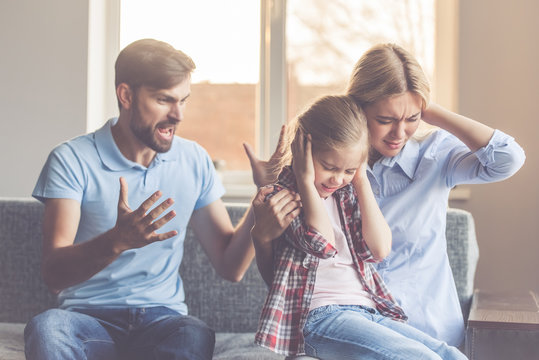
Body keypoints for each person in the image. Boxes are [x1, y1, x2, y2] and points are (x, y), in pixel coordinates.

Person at [24, 38, 300, 360]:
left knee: (193, 332)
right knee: (47, 328)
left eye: (183, 100)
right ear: (126, 95)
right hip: (87, 319)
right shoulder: (72, 159)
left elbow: (230, 265)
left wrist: (263, 194)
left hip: (162, 321)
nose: (178, 115)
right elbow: (54, 275)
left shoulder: (194, 159)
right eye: (164, 100)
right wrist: (117, 240)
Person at [246, 43, 525, 349]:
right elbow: (293, 274)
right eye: (386, 120)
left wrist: (425, 108)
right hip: (351, 328)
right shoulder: (329, 180)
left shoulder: (434, 155)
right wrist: (263, 232)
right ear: (357, 110)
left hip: (428, 328)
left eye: (411, 119)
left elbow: (507, 160)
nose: (399, 134)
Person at [253, 94, 467, 359]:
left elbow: (380, 249)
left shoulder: (346, 195)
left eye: (349, 169)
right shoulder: (284, 196)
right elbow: (322, 243)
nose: (338, 178)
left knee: (450, 355)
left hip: (366, 310)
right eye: (329, 167)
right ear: (302, 153)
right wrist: (306, 180)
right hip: (318, 318)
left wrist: (361, 178)